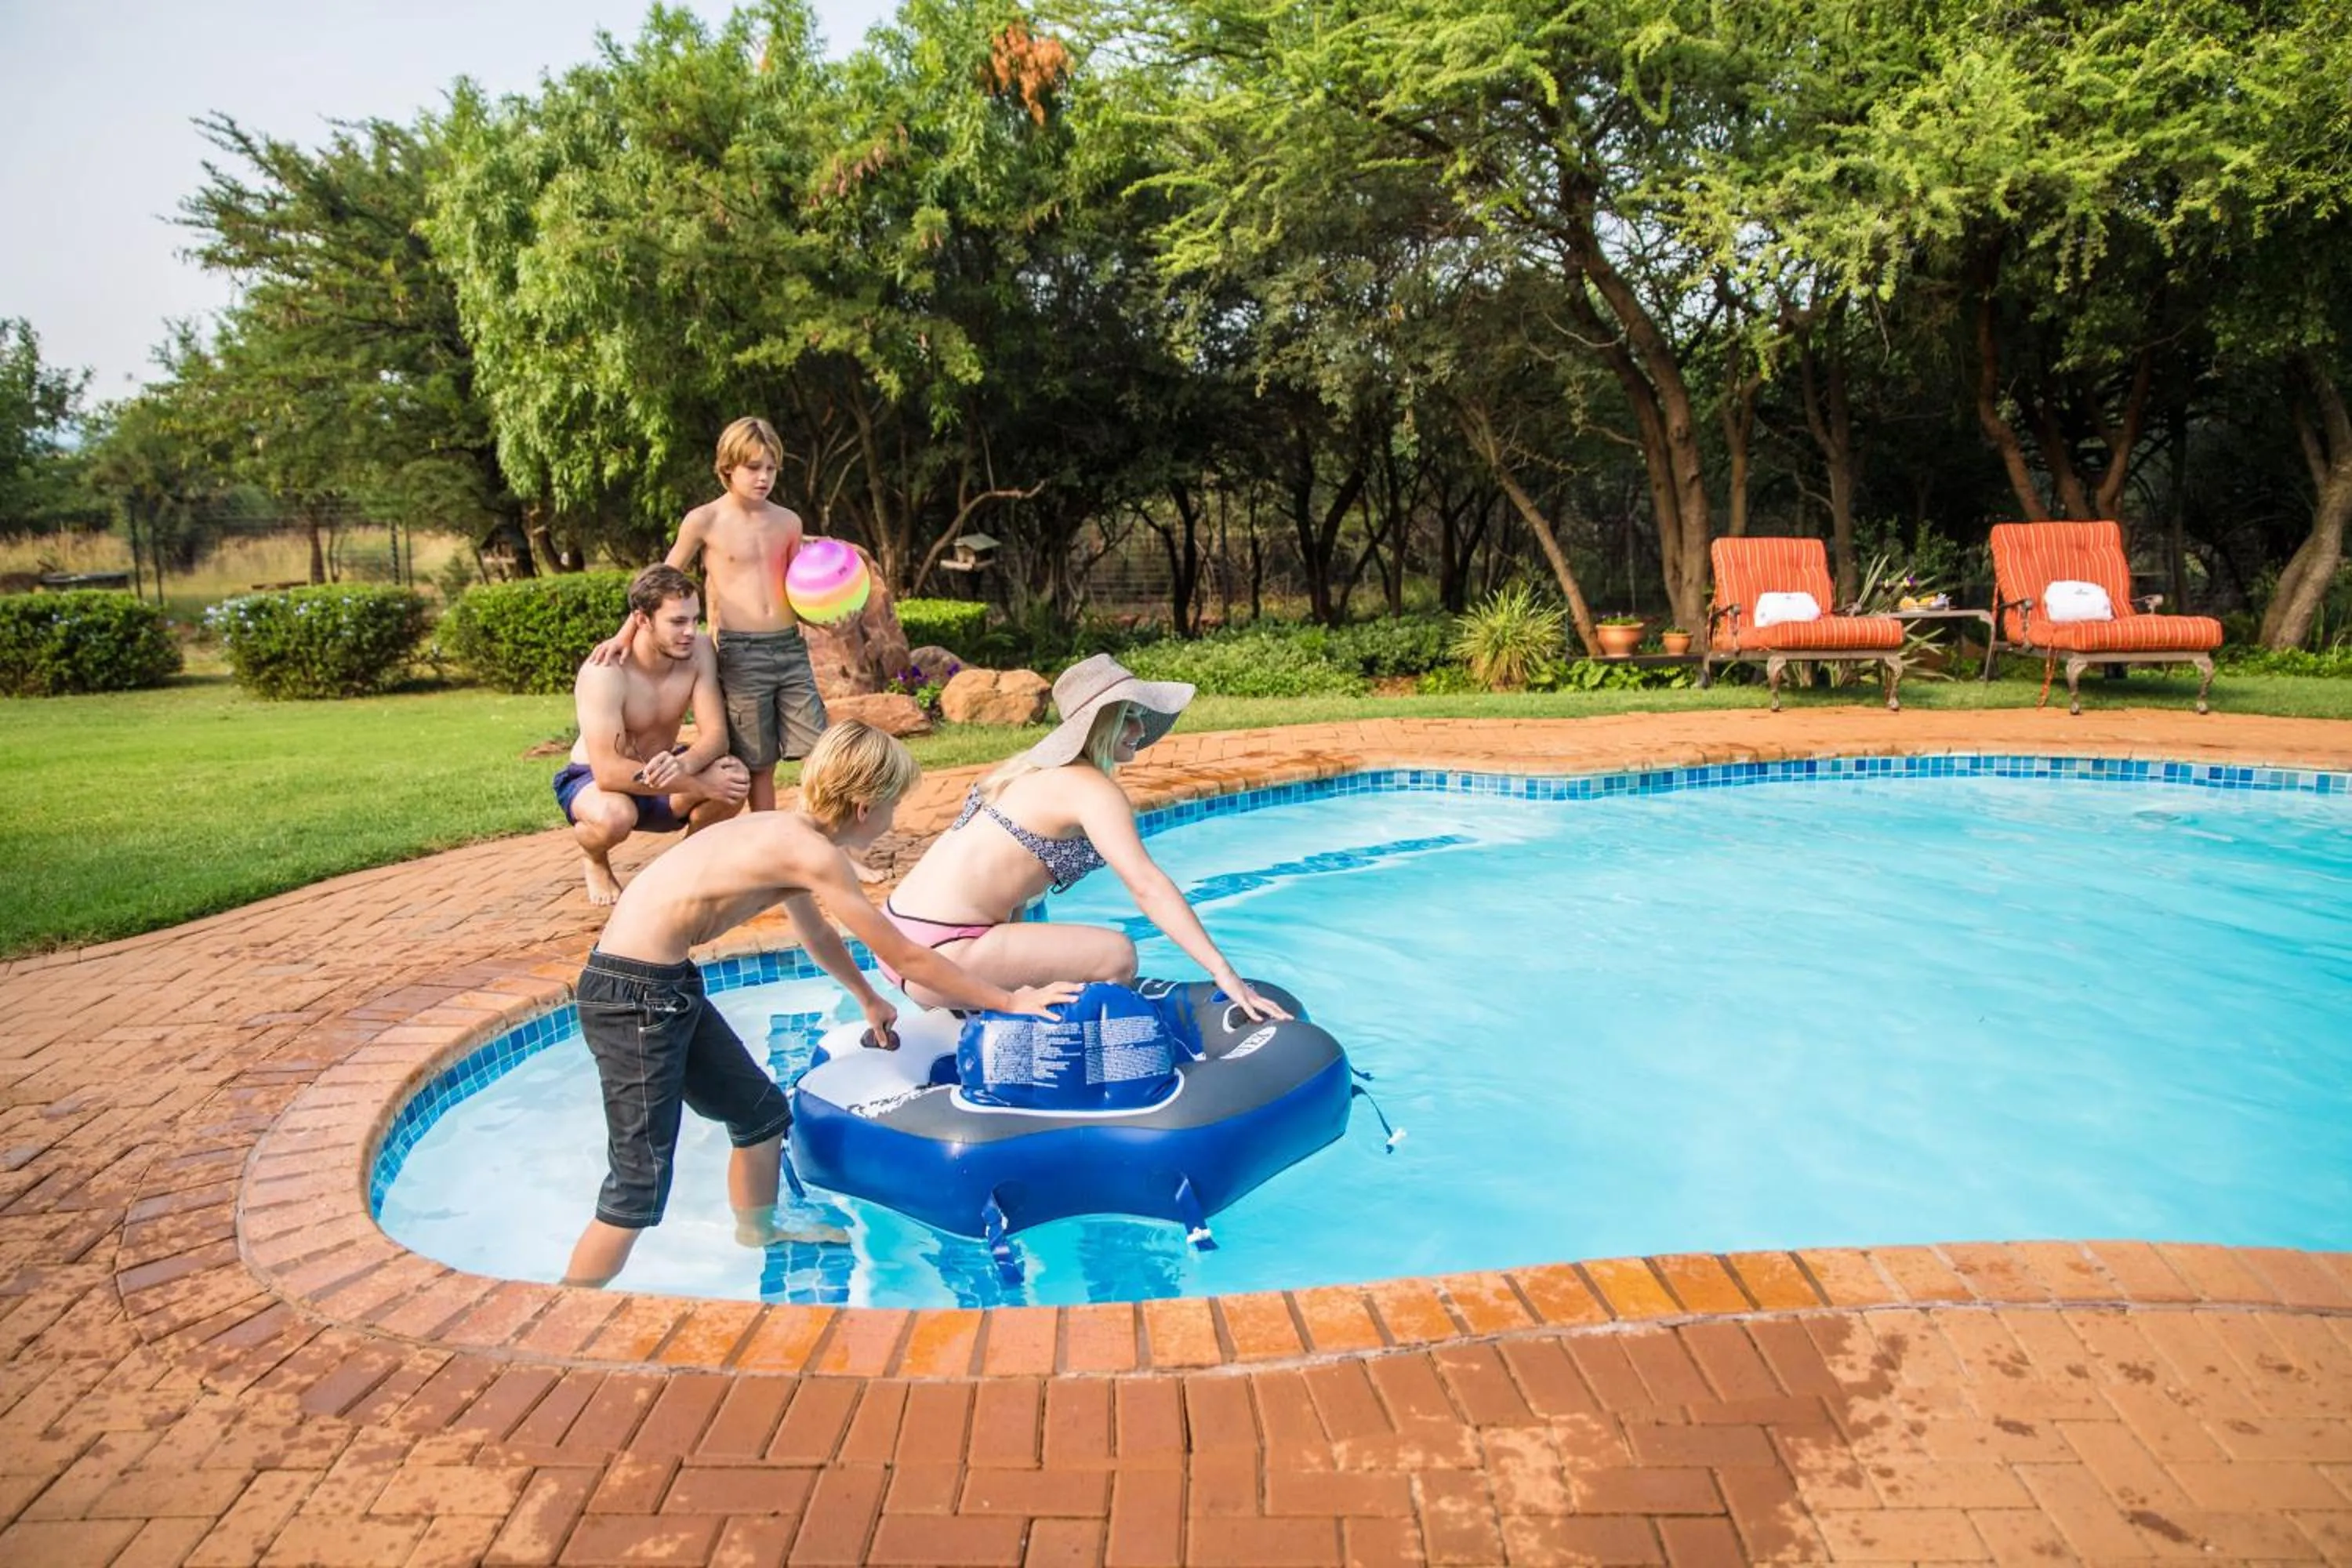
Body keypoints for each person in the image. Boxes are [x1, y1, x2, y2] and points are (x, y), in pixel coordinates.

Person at [561, 720, 1084, 1290]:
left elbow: (817, 933)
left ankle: (758, 1233)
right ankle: (565, 1313)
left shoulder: (783, 835)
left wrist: (866, 997)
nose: (893, 820)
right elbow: (908, 957)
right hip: (635, 996)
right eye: (893, 806)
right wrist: (1009, 999)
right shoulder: (811, 854)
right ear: (864, 806)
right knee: (638, 1185)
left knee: (760, 1117)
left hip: (661, 984)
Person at [880, 653, 1291, 1023]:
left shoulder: (1027, 773)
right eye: (1128, 715)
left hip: (901, 940)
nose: (1139, 727)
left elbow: (1013, 892)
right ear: (1099, 724)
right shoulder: (1092, 790)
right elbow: (1148, 887)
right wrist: (1225, 974)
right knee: (1117, 955)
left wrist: (1018, 980)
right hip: (940, 956)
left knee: (1073, 945)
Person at [594, 416, 826, 815]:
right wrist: (625, 635)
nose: (763, 477)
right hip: (741, 653)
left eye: (771, 468)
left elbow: (797, 589)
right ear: (727, 468)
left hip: (789, 647)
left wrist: (824, 618)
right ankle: (767, 848)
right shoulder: (705, 521)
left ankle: (824, 840)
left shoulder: (788, 522)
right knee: (759, 763)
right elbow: (661, 585)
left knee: (820, 752)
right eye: (753, 468)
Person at [556, 564, 750, 906]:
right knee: (616, 817)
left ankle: (682, 868)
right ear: (642, 620)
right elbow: (608, 772)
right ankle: (594, 859)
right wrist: (699, 785)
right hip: (596, 782)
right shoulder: (605, 674)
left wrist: (687, 765)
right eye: (677, 622)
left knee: (733, 778)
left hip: (663, 770)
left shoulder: (700, 651)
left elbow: (716, 735)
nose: (690, 631)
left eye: (695, 619)